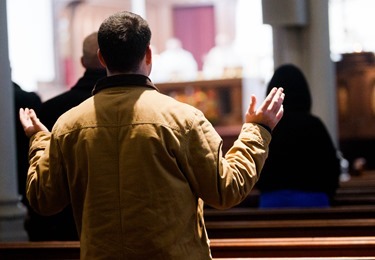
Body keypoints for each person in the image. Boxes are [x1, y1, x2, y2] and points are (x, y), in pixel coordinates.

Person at [19, 11, 284, 259]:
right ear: (148, 54)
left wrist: (40, 140)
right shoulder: (183, 119)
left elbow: (44, 199)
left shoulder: (69, 125)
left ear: (101, 58)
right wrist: (257, 130)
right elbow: (226, 190)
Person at [23, 32, 106, 242]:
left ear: (82, 62)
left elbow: (43, 193)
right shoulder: (159, 112)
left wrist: (39, 138)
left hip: (65, 229)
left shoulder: (53, 109)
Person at [256, 64, 341, 208]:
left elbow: (254, 171)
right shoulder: (315, 125)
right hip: (315, 204)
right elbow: (332, 170)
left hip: (271, 206)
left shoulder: (265, 129)